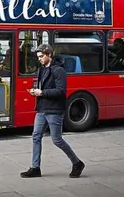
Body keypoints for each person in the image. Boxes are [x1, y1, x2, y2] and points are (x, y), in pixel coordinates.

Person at [21, 44, 85, 179]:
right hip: (42, 109)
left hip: (54, 110)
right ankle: (35, 167)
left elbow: (61, 91)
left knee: (57, 140)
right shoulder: (42, 70)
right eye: (38, 57)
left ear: (49, 55)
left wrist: (42, 92)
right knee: (36, 136)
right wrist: (36, 92)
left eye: (41, 56)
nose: (39, 59)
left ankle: (77, 163)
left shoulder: (58, 70)